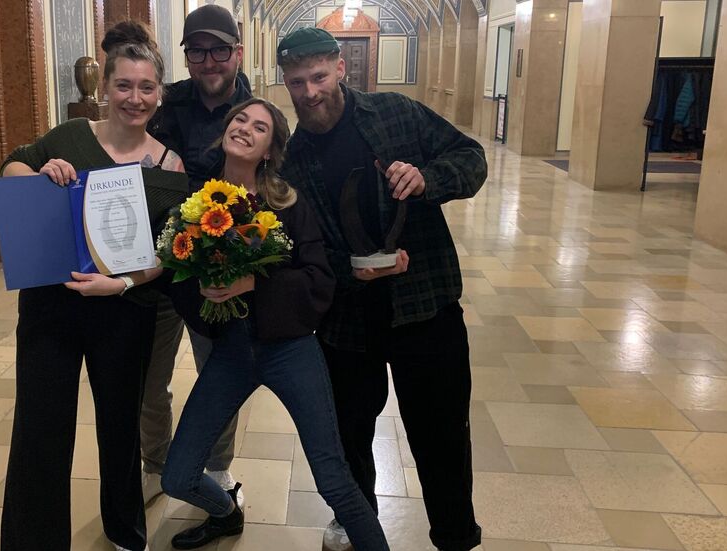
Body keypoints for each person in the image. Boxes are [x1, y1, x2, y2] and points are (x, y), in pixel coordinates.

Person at [276, 28, 487, 551]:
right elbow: (304, 250)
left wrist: (428, 179)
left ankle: (455, 537)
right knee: (348, 436)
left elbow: (471, 158)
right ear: (286, 82)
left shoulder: (395, 113)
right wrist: (350, 271)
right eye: (297, 82)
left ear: (340, 68)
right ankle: (358, 526)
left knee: (442, 436)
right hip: (346, 324)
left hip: (425, 308)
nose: (310, 92)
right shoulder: (293, 159)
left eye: (319, 77)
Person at [160, 98, 390, 551]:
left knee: (334, 480)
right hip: (232, 351)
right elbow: (176, 276)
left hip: (291, 350)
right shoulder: (196, 204)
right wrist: (202, 288)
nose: (245, 128)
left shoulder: (287, 202)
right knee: (177, 476)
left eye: (259, 127)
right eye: (240, 119)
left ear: (269, 149)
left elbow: (319, 279)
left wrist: (254, 283)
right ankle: (226, 513)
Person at [0, 21, 182, 551]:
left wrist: (120, 284)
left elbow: (168, 254)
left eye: (146, 87)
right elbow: (11, 165)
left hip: (124, 310)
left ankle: (125, 531)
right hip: (50, 304)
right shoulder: (69, 137)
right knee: (40, 425)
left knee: (120, 427)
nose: (134, 98)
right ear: (104, 88)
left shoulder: (171, 166)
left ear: (159, 93)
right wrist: (38, 177)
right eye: (123, 85)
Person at [140, 3, 252, 506]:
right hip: (158, 266)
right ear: (186, 56)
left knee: (218, 377)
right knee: (150, 378)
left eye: (219, 51)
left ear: (238, 53)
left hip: (217, 273)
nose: (209, 62)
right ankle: (155, 463)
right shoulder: (164, 104)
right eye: (198, 51)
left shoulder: (254, 113)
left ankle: (218, 466)